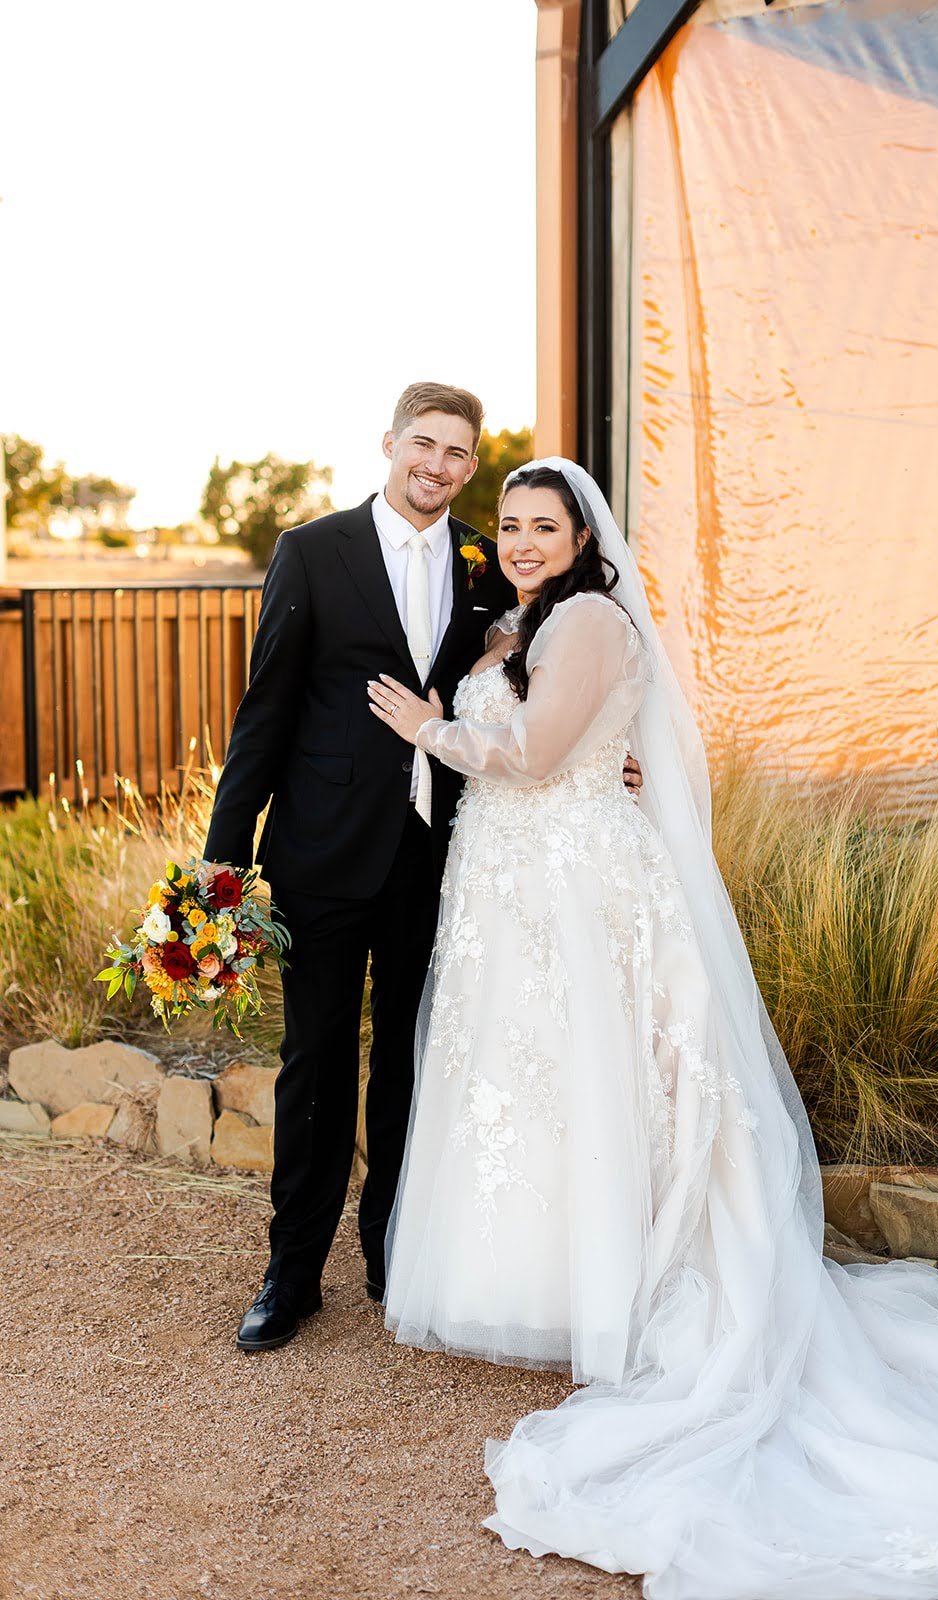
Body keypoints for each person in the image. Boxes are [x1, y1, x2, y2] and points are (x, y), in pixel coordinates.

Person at [368, 458, 938, 1600]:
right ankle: (547, 1283)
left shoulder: (586, 616)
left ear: (584, 539)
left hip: (576, 890)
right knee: (530, 1088)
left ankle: (619, 1291)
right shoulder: (515, 623)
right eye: (509, 523)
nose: (522, 539)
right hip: (515, 891)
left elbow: (539, 759)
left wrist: (431, 727)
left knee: (593, 1080)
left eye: (544, 524)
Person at [203, 381, 642, 1353]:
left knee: (411, 1065)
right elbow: (263, 715)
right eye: (424, 444)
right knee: (314, 1065)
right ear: (391, 442)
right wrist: (221, 866)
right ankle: (290, 1275)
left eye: (456, 454)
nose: (436, 466)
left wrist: (604, 752)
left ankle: (394, 1255)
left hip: (438, 861)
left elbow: (534, 681)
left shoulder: (488, 569)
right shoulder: (312, 553)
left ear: (468, 466)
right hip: (319, 855)